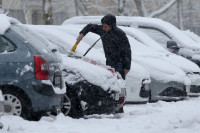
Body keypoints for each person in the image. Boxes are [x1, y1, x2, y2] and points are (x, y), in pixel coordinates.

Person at [76, 14, 131, 80]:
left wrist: (127, 67)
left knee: (120, 85)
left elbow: (127, 51)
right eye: (102, 26)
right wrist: (82, 34)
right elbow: (89, 26)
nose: (103, 28)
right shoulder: (102, 30)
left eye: (105, 26)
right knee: (111, 84)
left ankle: (122, 90)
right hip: (109, 62)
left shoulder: (120, 34)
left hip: (120, 64)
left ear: (111, 26)